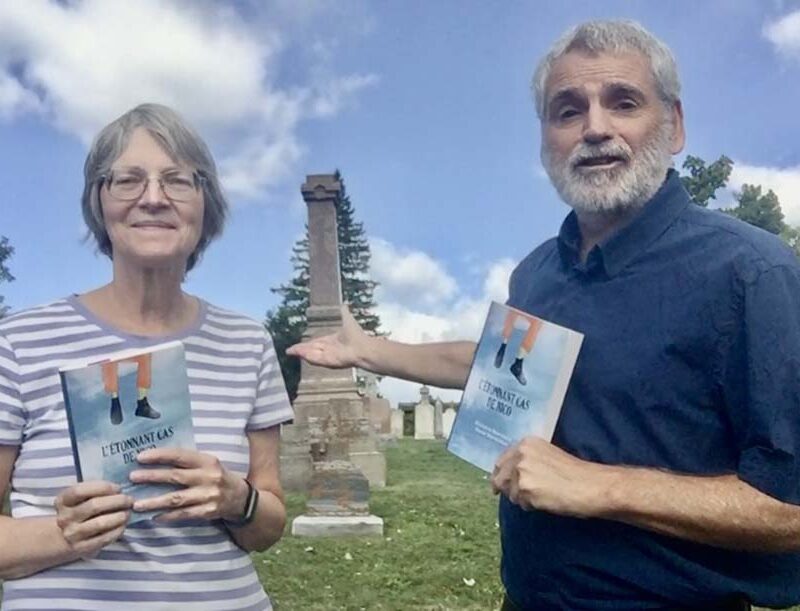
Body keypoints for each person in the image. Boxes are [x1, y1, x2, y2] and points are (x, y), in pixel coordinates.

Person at [288, 20, 800, 611]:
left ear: (675, 125)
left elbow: (787, 507)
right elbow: (498, 359)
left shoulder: (751, 274)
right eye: (567, 111)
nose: (596, 128)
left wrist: (598, 486)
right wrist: (367, 348)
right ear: (544, 140)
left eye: (623, 102)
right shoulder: (538, 273)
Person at [0, 103, 294, 609]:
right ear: (99, 201)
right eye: (128, 180)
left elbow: (267, 526)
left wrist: (235, 499)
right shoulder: (19, 341)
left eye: (178, 181)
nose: (153, 198)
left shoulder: (248, 342)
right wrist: (65, 532)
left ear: (206, 205)